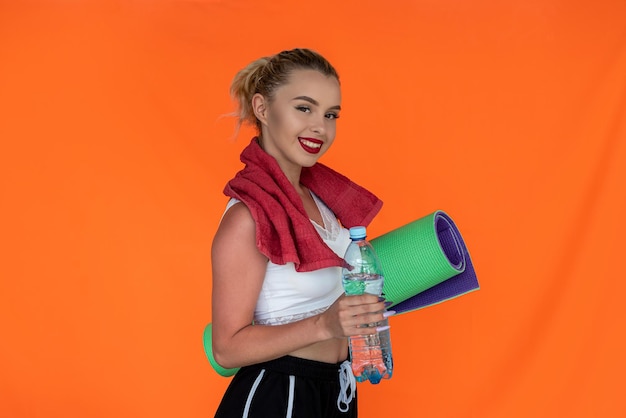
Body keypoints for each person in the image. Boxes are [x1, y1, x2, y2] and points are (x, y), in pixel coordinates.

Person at [211, 48, 391, 417]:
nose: (320, 128)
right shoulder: (247, 217)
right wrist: (325, 324)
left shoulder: (328, 206)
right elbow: (226, 348)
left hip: (337, 389)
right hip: (278, 395)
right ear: (262, 108)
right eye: (304, 108)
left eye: (330, 115)